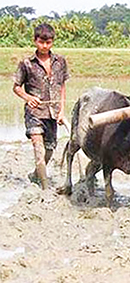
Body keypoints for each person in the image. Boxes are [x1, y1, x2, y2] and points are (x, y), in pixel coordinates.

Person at [13, 23, 69, 190]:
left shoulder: (60, 61)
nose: (45, 46)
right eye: (41, 42)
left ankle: (36, 175)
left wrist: (62, 111)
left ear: (52, 42)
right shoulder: (26, 64)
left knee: (50, 149)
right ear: (35, 41)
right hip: (34, 113)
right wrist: (28, 97)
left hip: (52, 113)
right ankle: (45, 188)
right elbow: (16, 87)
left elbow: (62, 86)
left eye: (49, 42)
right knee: (39, 148)